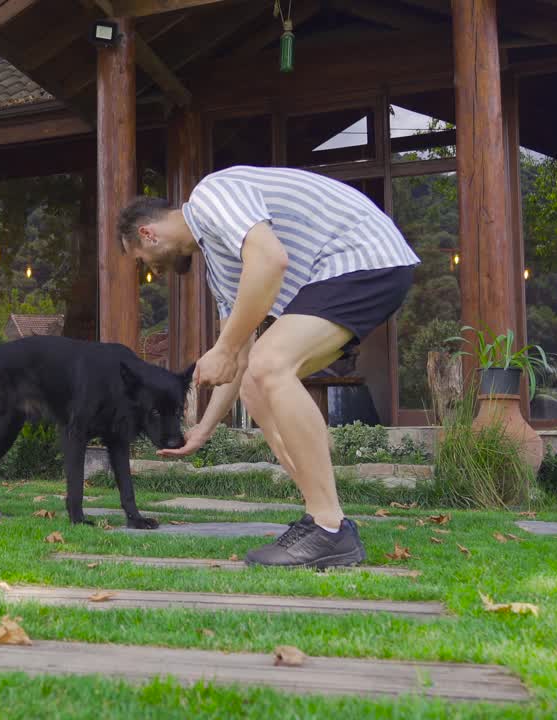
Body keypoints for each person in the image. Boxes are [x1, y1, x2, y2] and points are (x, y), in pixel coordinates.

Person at [117, 165, 420, 568]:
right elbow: (240, 356)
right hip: (337, 276)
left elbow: (272, 259)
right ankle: (326, 522)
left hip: (361, 255)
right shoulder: (221, 266)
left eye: (142, 260)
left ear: (147, 234)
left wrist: (224, 348)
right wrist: (203, 429)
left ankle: (327, 527)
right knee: (256, 384)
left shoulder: (211, 195)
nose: (150, 270)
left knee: (271, 364)